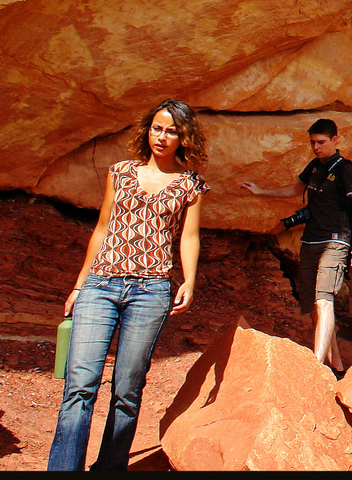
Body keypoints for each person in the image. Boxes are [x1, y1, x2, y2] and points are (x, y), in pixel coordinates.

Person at [48, 100, 208, 472]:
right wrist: (79, 285)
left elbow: (189, 237)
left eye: (171, 130)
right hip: (100, 286)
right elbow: (102, 228)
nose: (162, 136)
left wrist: (190, 280)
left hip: (150, 292)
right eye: (156, 128)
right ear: (146, 131)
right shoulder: (120, 172)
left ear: (183, 137)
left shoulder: (191, 185)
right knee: (80, 386)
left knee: (127, 391)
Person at [240, 118, 352, 373]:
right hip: (310, 240)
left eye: (321, 142)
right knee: (314, 306)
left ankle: (315, 368)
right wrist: (260, 191)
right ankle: (336, 366)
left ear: (335, 140)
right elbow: (295, 188)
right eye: (312, 142)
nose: (316, 147)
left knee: (324, 301)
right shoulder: (314, 166)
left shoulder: (345, 169)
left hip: (335, 241)